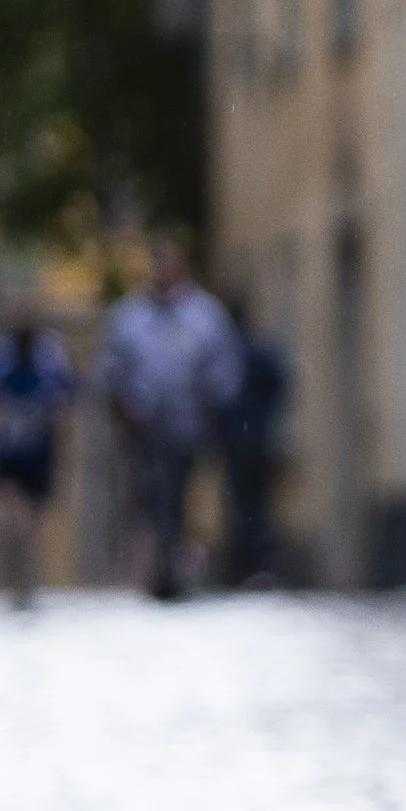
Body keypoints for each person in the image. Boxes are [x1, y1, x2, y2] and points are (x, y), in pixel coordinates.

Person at [98, 236, 243, 600]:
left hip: (192, 425)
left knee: (184, 494)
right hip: (145, 428)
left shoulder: (205, 315)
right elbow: (111, 369)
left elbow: (224, 370)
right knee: (153, 495)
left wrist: (214, 409)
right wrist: (122, 407)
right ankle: (164, 567)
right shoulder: (129, 315)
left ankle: (183, 560)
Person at [0, 298, 77, 609]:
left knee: (34, 521)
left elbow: (65, 399)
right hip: (8, 449)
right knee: (10, 517)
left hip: (38, 449)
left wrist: (61, 445)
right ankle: (16, 577)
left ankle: (27, 582)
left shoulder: (51, 353)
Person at [218, 295, 291, 586]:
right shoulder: (252, 349)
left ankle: (254, 562)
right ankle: (255, 562)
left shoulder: (235, 353)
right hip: (249, 437)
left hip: (245, 439)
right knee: (251, 502)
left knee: (247, 502)